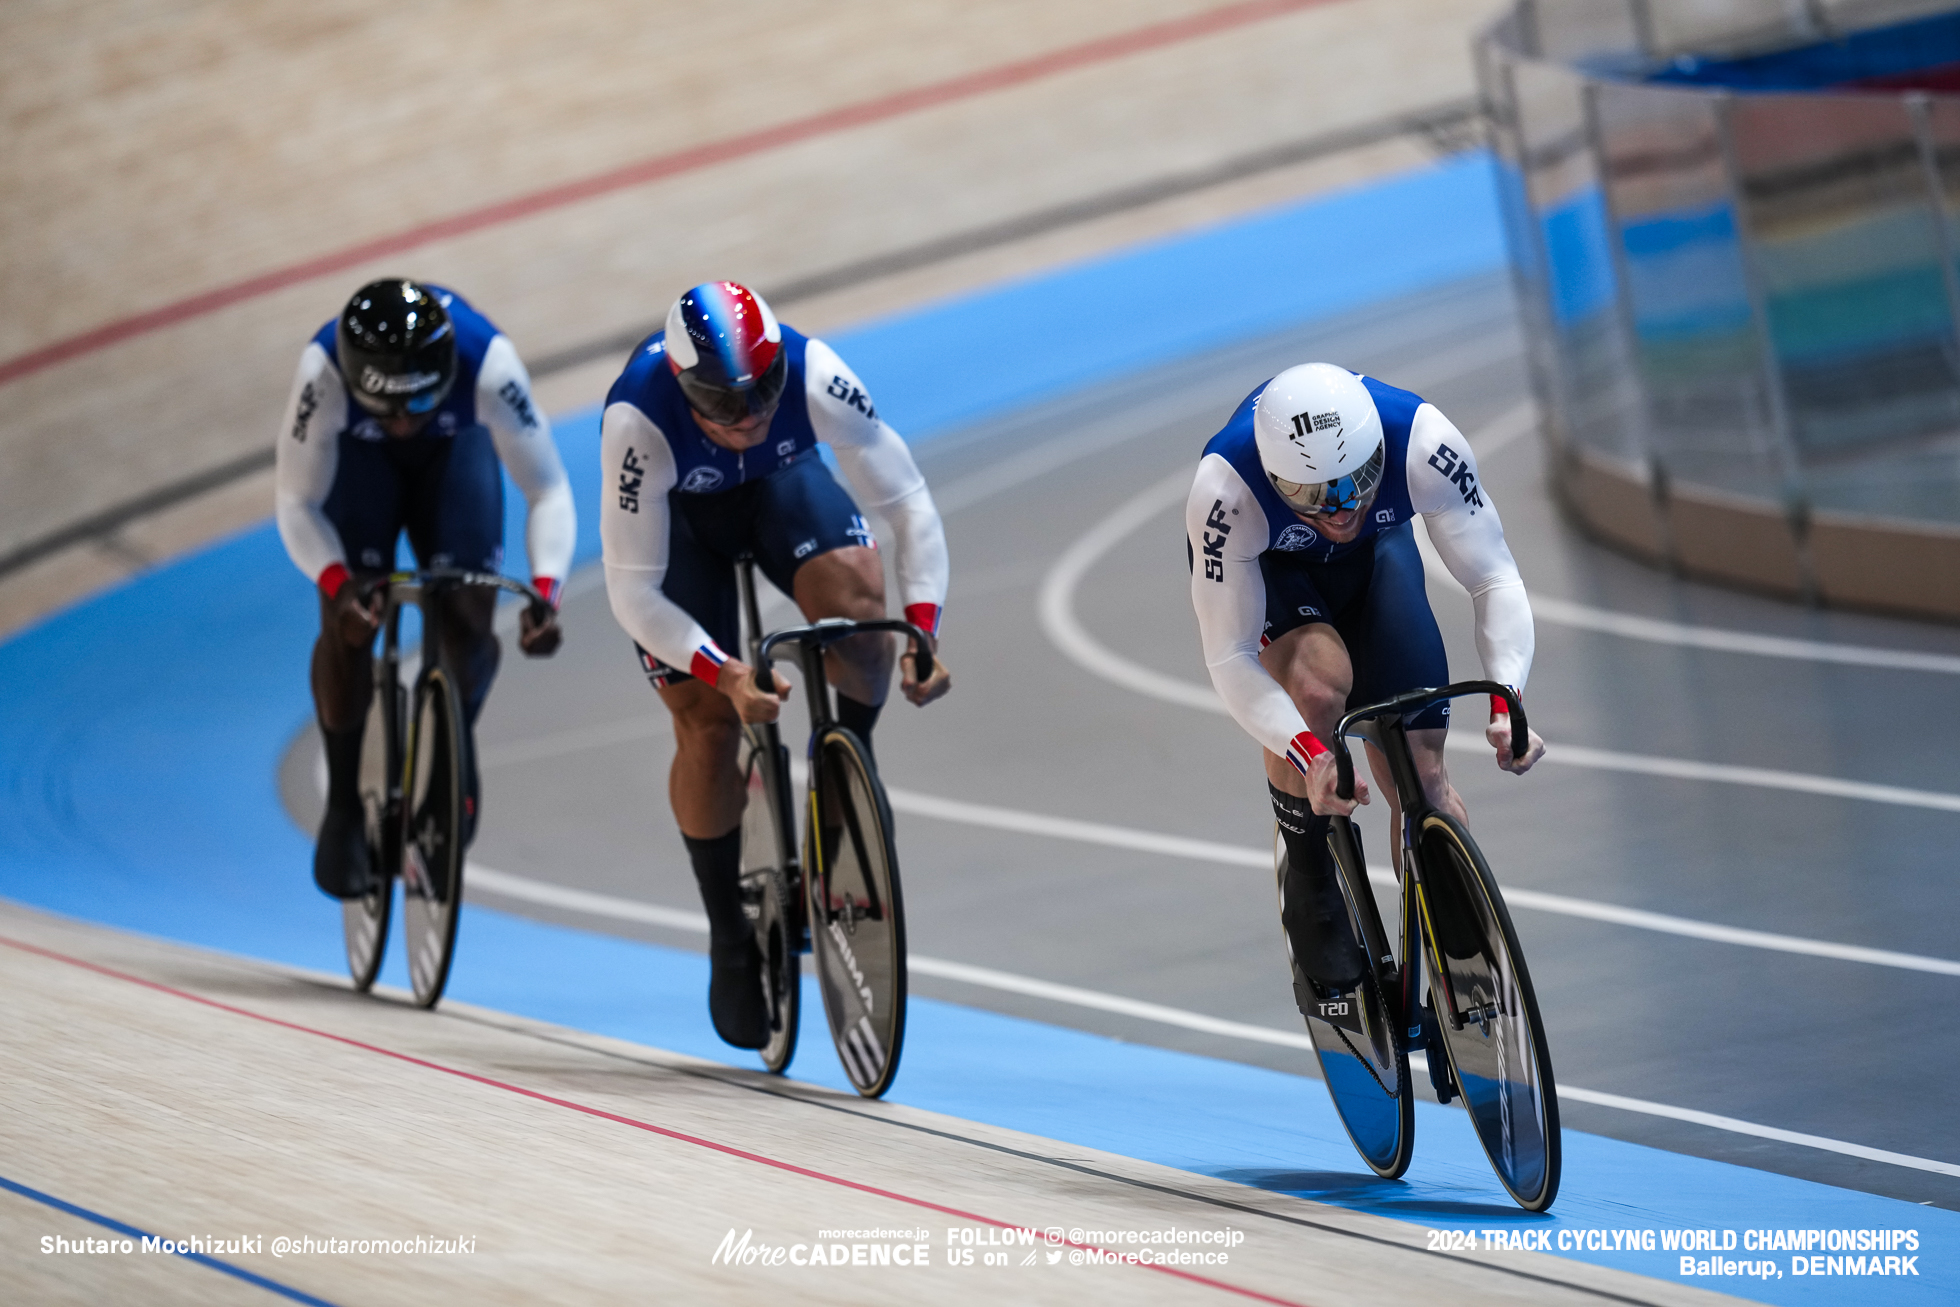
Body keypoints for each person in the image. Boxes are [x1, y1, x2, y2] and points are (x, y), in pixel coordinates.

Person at [600, 281, 951, 1050]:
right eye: (722, 404)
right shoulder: (638, 418)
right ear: (684, 387)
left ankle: (846, 773)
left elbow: (910, 503)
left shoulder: (816, 371)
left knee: (863, 617)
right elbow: (633, 590)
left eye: (762, 392)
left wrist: (922, 627)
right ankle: (729, 932)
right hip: (682, 534)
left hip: (775, 491)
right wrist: (721, 669)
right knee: (707, 720)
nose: (749, 415)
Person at [1186, 362, 1544, 1064]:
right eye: (1318, 495)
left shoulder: (1422, 440)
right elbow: (1230, 655)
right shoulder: (1227, 491)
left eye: (1357, 481)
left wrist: (1509, 694)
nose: (1343, 506)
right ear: (1277, 479)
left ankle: (1454, 958)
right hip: (1282, 576)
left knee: (1421, 764)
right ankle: (1308, 866)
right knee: (1320, 687)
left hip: (1380, 561)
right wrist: (1310, 753)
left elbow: (1493, 575)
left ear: (1378, 450)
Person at [275, 279, 575, 899]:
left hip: (452, 456)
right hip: (361, 466)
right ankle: (344, 809)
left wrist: (545, 591)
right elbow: (296, 502)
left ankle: (448, 752)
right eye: (390, 408)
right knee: (351, 623)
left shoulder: (489, 365)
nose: (405, 421)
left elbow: (547, 488)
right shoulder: (322, 373)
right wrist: (337, 583)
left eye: (417, 405)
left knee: (468, 616)